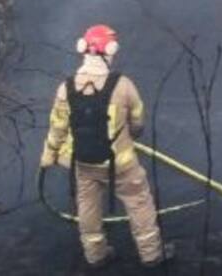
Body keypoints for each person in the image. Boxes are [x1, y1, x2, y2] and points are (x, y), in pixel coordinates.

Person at [39, 25, 170, 269]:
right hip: (121, 164)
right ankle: (151, 254)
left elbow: (57, 127)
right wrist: (131, 135)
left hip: (83, 163)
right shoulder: (123, 85)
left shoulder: (66, 87)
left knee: (87, 208)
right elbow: (138, 121)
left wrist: (49, 155)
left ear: (82, 49)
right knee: (139, 203)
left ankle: (96, 255)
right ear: (111, 50)